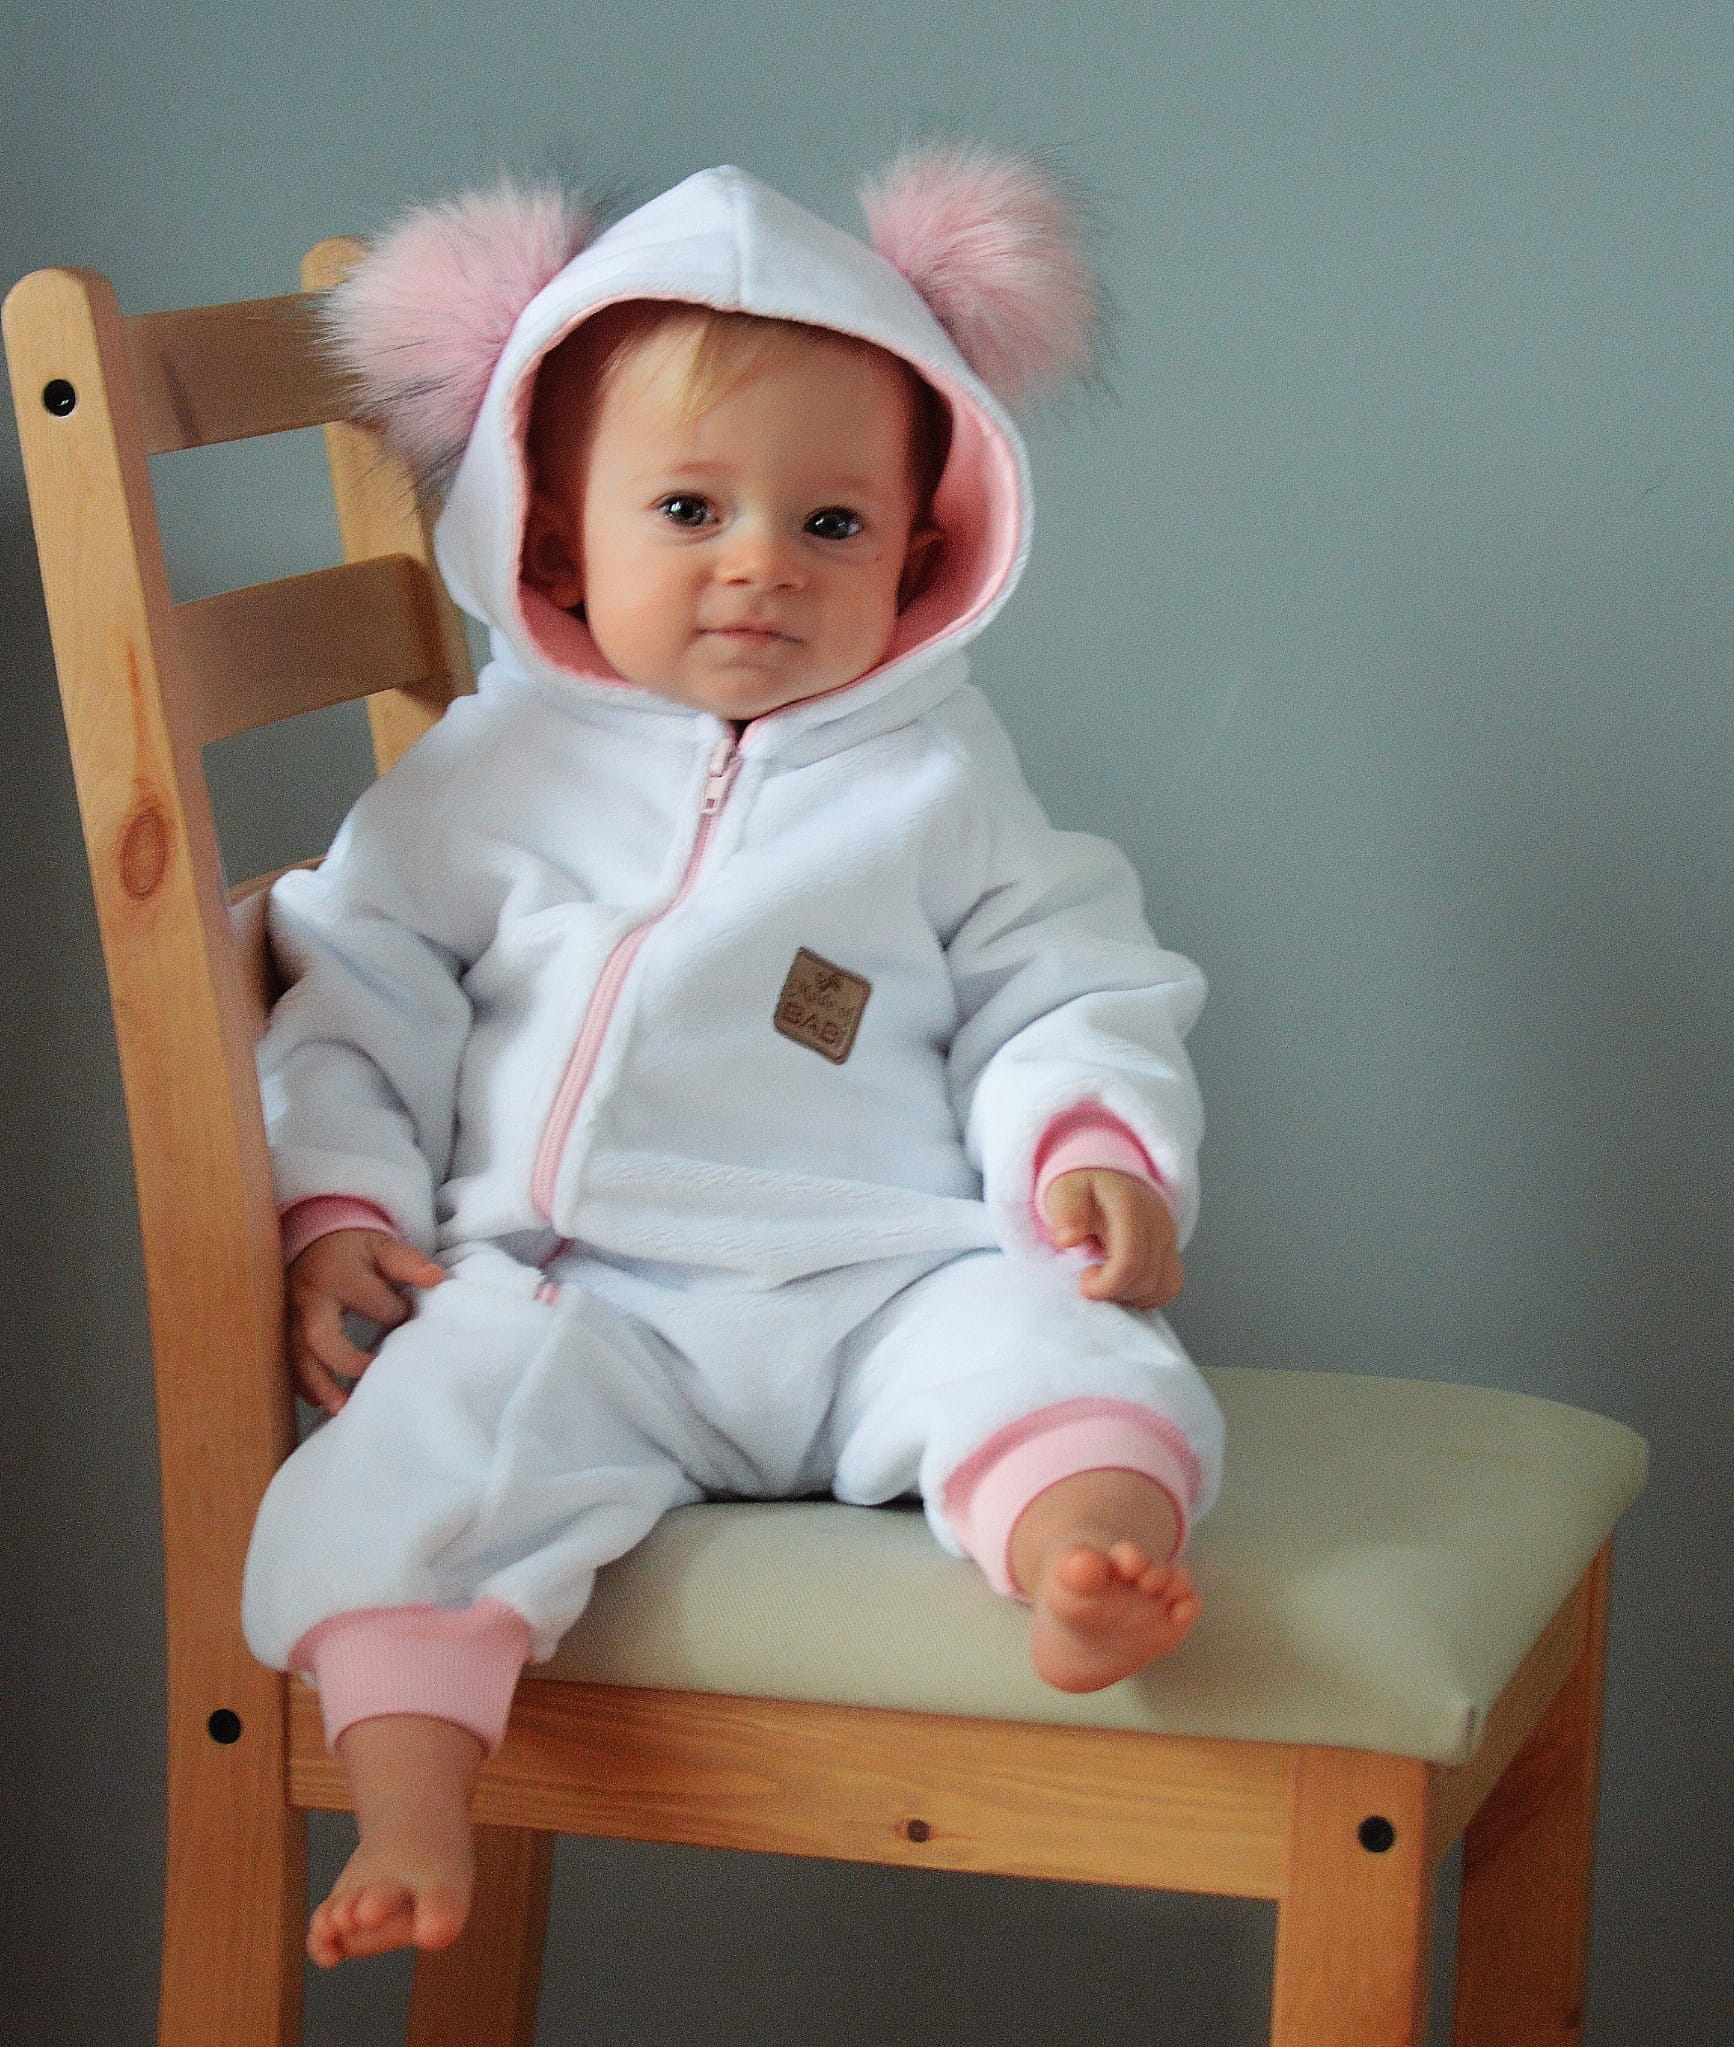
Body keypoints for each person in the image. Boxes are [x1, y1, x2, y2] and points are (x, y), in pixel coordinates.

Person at [241, 149, 1225, 1968]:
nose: (761, 562)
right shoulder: (482, 784)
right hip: (578, 1295)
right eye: (689, 508)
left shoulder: (933, 775)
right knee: (418, 1456)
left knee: (1056, 1339)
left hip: (877, 1279)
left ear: (923, 550)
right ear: (553, 540)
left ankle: (1082, 1557)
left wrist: (1089, 1142)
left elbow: (1064, 975)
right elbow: (350, 1001)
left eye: (831, 524)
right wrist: (340, 1209)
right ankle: (410, 1805)